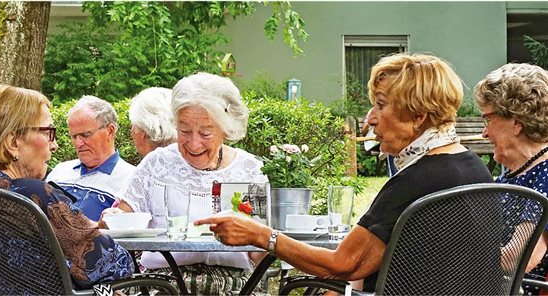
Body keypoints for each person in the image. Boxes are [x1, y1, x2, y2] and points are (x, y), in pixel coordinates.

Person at [196, 53, 495, 292]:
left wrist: (262, 236)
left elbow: (342, 264)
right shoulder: (474, 168)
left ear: (418, 117)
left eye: (380, 105)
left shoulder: (416, 180)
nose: (371, 120)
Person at [0, 84, 134, 289]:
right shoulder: (32, 195)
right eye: (48, 132)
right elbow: (114, 265)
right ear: (13, 142)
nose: (54, 145)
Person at [101, 72, 268, 295]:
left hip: (234, 287)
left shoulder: (248, 169)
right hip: (163, 285)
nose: (194, 143)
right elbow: (122, 216)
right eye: (184, 131)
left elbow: (259, 253)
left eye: (206, 133)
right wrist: (113, 219)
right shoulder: (158, 163)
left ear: (225, 129)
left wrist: (272, 234)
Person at [474, 63, 548, 295]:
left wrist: (461, 253)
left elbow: (520, 258)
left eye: (488, 120)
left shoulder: (545, 177)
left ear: (516, 122)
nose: (484, 133)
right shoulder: (515, 172)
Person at [45, 95, 135, 221]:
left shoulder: (131, 179)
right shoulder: (60, 170)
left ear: (110, 131)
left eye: (85, 135)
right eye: (74, 136)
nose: (78, 143)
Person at [128, 87, 177, 157]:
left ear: (143, 133)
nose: (132, 130)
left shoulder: (149, 166)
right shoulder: (190, 163)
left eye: (134, 124)